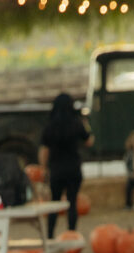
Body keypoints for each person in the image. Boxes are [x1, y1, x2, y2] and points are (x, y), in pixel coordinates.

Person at [38, 92, 93, 239]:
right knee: (72, 202)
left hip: (56, 169)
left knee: (54, 203)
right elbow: (89, 141)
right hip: (73, 167)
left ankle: (50, 236)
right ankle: (71, 234)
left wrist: (44, 168)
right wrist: (86, 124)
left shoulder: (50, 126)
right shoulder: (76, 123)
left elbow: (44, 150)